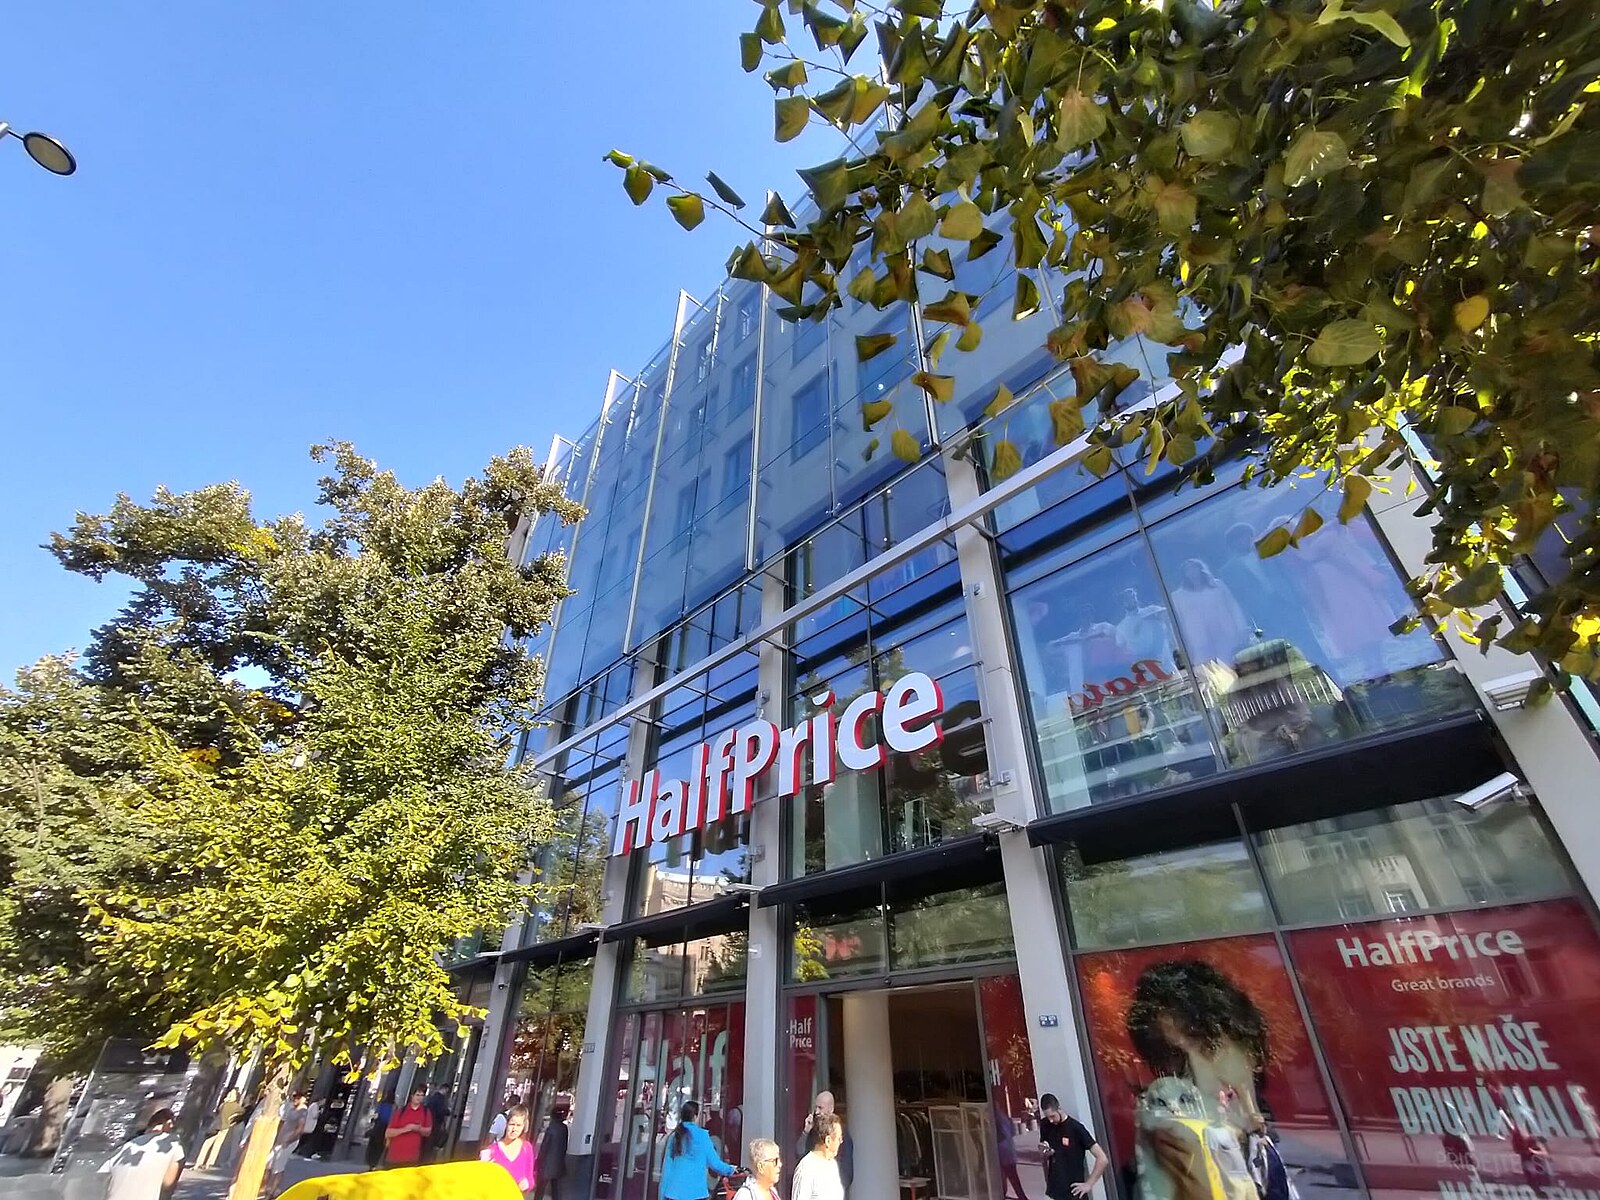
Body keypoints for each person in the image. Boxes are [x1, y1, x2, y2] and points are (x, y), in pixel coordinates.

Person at [99, 1108, 184, 1200]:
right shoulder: (173, 1144)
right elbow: (168, 1183)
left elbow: (102, 1178)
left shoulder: (125, 1147)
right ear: (169, 1124)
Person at [660, 1100, 736, 1200]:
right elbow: (715, 1164)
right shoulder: (702, 1136)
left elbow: (667, 1169)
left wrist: (662, 1196)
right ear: (695, 1117)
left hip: (673, 1193)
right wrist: (731, 1170)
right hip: (696, 1193)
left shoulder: (674, 1136)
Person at [1037, 1093, 1108, 1200]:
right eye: (1047, 1117)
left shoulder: (1076, 1129)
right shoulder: (1045, 1125)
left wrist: (1088, 1184)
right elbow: (1044, 1158)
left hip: (1073, 1193)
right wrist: (1045, 1153)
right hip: (1053, 1192)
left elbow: (1102, 1158)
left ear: (1059, 1109)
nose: (1051, 1120)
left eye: (1052, 1116)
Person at [796, 1091, 854, 1193]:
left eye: (820, 1108)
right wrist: (806, 1131)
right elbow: (799, 1153)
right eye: (816, 1108)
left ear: (830, 1109)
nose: (817, 1112)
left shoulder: (842, 1134)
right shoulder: (813, 1130)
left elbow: (847, 1175)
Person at [480, 1103, 537, 1195]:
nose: (514, 1129)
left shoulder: (526, 1148)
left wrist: (527, 1183)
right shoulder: (492, 1150)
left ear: (524, 1127)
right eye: (512, 1124)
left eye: (519, 1125)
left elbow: (530, 1179)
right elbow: (482, 1181)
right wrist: (482, 1166)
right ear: (506, 1124)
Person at [263, 1092, 310, 1198]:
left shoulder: (303, 1111)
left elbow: (300, 1128)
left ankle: (271, 1191)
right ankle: (266, 1188)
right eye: (294, 1097)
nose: (295, 1099)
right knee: (268, 1164)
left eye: (298, 1098)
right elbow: (284, 1122)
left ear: (303, 1099)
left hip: (288, 1141)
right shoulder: (292, 1109)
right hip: (280, 1139)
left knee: (278, 1167)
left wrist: (289, 1139)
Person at [790, 1112, 845, 1200]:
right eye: (839, 1138)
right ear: (828, 1141)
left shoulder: (832, 1164)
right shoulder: (806, 1168)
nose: (841, 1142)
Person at [192, 1088, 243, 1171]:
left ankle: (198, 1163)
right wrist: (233, 1119)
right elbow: (242, 1112)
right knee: (217, 1146)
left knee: (206, 1145)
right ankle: (208, 1164)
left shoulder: (223, 1104)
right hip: (225, 1127)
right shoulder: (237, 1107)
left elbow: (218, 1112)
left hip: (216, 1127)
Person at [384, 1085, 434, 1167]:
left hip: (412, 1158)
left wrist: (418, 1129)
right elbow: (388, 1133)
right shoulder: (401, 1111)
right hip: (394, 1156)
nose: (419, 1098)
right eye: (417, 1095)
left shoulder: (425, 1112)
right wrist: (406, 1129)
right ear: (412, 1096)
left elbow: (428, 1132)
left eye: (422, 1095)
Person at [534, 1102, 570, 1200]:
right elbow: (565, 1146)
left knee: (540, 1188)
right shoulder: (564, 1128)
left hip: (547, 1163)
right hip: (559, 1163)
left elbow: (544, 1147)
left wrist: (538, 1160)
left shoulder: (551, 1129)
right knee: (556, 1189)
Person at [995, 1102, 1030, 1200]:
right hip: (1009, 1150)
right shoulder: (1005, 1117)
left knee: (1008, 1177)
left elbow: (1000, 1136)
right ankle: (1019, 1196)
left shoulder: (995, 1119)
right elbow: (1013, 1132)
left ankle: (1021, 1197)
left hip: (1002, 1152)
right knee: (1011, 1177)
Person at [364, 1090, 396, 1170]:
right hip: (385, 1128)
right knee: (380, 1147)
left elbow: (376, 1115)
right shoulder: (394, 1107)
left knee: (374, 1146)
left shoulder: (382, 1104)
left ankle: (371, 1163)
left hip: (379, 1127)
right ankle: (375, 1163)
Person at [425, 1086, 452, 1161]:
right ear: (444, 1089)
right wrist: (448, 1111)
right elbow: (440, 1111)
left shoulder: (433, 1097)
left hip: (430, 1121)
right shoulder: (440, 1098)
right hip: (436, 1122)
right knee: (432, 1141)